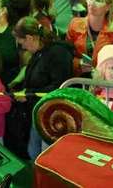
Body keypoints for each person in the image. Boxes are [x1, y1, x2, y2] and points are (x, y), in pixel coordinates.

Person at [12, 16, 74, 159]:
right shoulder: (39, 53)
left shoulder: (58, 53)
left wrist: (29, 94)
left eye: (23, 43)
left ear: (29, 38)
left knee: (41, 155)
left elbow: (59, 86)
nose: (23, 47)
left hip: (51, 114)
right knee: (34, 152)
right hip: (39, 110)